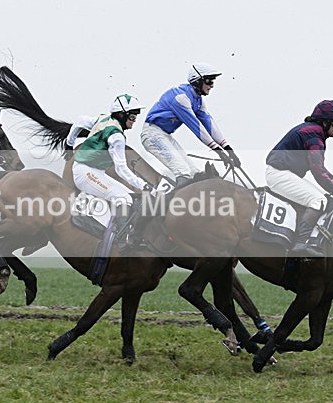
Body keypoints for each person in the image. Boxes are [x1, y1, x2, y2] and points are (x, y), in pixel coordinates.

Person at [73, 94, 152, 282]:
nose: (134, 120)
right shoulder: (117, 136)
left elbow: (79, 122)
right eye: (132, 116)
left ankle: (121, 234)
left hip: (93, 170)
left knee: (129, 197)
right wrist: (144, 185)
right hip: (85, 173)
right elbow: (121, 169)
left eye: (135, 116)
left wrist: (70, 142)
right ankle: (122, 243)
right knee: (123, 199)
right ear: (122, 115)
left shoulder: (103, 118)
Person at [265, 100, 333, 257]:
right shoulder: (314, 136)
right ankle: (301, 244)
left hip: (283, 172)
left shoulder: (314, 132)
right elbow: (317, 170)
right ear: (326, 122)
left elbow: (318, 167)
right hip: (280, 174)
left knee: (320, 198)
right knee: (319, 201)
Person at [141, 63, 241, 187]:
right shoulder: (180, 97)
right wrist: (219, 152)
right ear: (198, 81)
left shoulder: (198, 100)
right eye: (209, 81)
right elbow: (197, 127)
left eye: (213, 82)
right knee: (183, 171)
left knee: (195, 173)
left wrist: (229, 150)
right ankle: (169, 205)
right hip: (152, 135)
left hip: (165, 135)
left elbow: (210, 126)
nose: (212, 86)